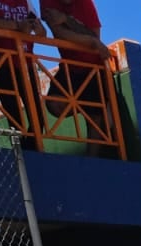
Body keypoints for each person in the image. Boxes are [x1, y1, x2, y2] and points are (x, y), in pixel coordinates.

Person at [40, 0, 109, 145]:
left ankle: (93, 159)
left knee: (96, 118)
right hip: (70, 65)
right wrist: (90, 40)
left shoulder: (86, 3)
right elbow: (58, 33)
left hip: (93, 66)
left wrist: (66, 19)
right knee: (54, 105)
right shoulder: (46, 2)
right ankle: (89, 107)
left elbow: (95, 37)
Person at [0, 0, 45, 136]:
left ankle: (32, 151)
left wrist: (37, 28)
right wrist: (18, 26)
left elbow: (42, 33)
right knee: (14, 116)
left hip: (25, 61)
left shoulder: (26, 3)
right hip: (0, 61)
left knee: (38, 117)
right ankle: (22, 152)